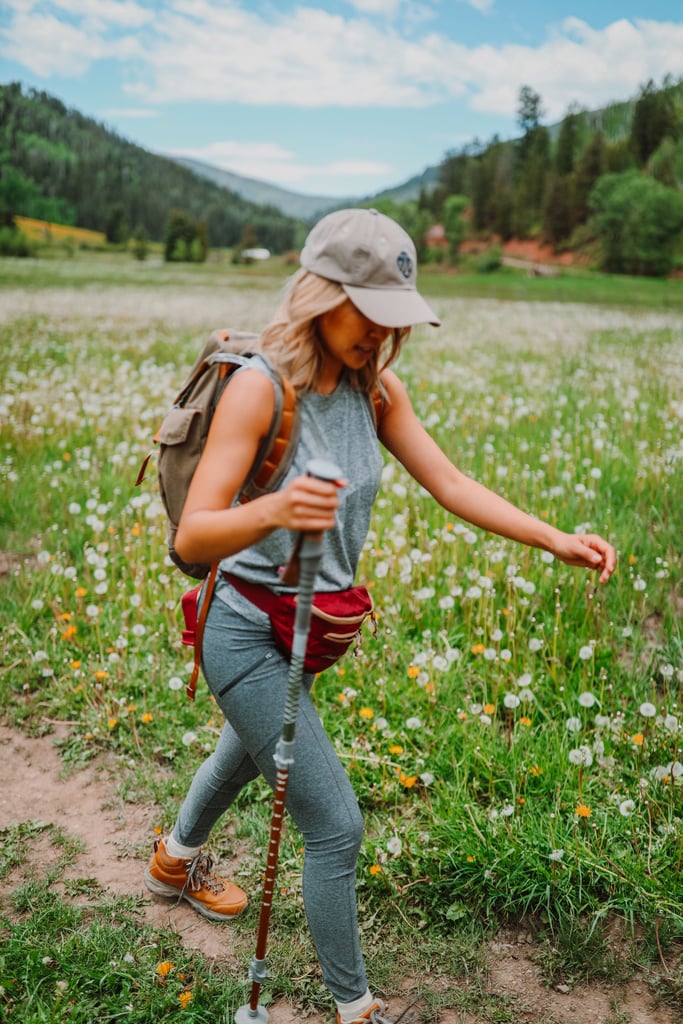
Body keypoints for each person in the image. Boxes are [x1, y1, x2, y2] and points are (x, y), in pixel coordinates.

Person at [144, 208, 617, 1023]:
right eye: (369, 313)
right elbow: (196, 534)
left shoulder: (372, 386)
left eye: (394, 318)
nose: (382, 335)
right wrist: (277, 510)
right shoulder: (262, 388)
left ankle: (172, 861)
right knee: (335, 829)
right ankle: (355, 1007)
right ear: (320, 297)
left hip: (306, 636)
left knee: (251, 747)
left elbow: (451, 482)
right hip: (247, 632)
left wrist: (553, 539)